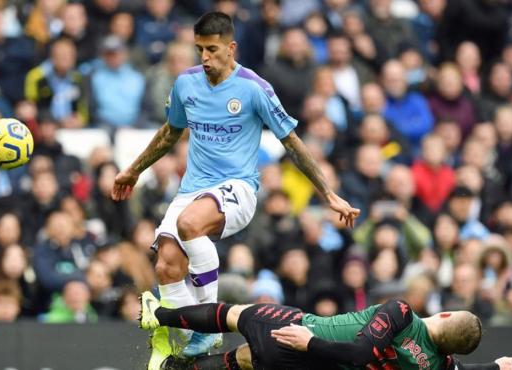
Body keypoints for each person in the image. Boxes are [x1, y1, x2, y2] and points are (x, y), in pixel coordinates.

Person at [111, 12, 360, 370]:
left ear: (231, 48)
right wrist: (132, 171)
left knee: (189, 223)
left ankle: (208, 328)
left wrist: (328, 193)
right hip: (192, 188)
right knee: (167, 264)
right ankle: (182, 341)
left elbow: (291, 142)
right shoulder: (186, 84)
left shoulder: (254, 88)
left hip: (239, 189)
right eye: (199, 49)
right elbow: (170, 133)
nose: (205, 58)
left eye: (212, 49)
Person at [139, 291, 512, 370]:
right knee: (245, 361)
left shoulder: (402, 313)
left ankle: (160, 315)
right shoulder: (435, 367)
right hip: (311, 366)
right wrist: (497, 366)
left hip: (303, 332)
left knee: (236, 314)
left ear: (443, 316)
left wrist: (311, 341)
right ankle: (172, 369)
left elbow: (360, 353)